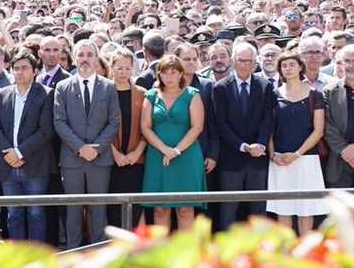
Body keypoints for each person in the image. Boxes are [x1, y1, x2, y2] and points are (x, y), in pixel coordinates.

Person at [52, 41, 120, 249]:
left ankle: (99, 254)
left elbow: (114, 121)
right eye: (80, 54)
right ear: (74, 58)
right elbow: (59, 121)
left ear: (96, 58)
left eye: (89, 54)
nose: (85, 59)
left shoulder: (108, 87)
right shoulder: (63, 87)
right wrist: (80, 147)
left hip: (100, 160)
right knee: (73, 210)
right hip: (72, 159)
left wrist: (96, 148)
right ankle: (73, 253)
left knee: (98, 209)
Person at [0, 49, 54, 242]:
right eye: (16, 68)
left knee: (35, 213)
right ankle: (17, 257)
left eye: (24, 68)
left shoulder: (46, 94)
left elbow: (45, 131)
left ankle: (35, 257)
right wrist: (9, 152)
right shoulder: (1, 94)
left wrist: (19, 152)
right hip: (7, 164)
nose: (19, 72)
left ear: (35, 71)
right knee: (13, 213)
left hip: (34, 163)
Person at [212, 41, 276, 230]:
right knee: (228, 211)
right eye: (241, 60)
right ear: (233, 61)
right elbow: (221, 124)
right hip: (231, 158)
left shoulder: (265, 86)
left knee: (258, 210)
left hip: (258, 159)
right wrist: (243, 146)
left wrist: (260, 145)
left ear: (255, 63)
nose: (244, 65)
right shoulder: (221, 87)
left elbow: (268, 119)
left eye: (249, 61)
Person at [140, 55, 207, 229]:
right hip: (158, 157)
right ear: (159, 75)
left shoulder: (192, 94)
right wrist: (164, 149)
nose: (169, 77)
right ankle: (162, 254)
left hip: (187, 156)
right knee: (160, 209)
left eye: (173, 72)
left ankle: (187, 255)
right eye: (165, 73)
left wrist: (176, 150)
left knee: (185, 209)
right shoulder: (151, 95)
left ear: (181, 74)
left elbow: (197, 127)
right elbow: (145, 127)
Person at [266, 52, 328, 233]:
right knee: (283, 210)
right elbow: (268, 129)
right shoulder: (273, 94)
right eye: (284, 66)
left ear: (300, 67)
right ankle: (286, 255)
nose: (288, 68)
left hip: (306, 159)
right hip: (279, 160)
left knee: (306, 210)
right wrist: (273, 154)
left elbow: (318, 131)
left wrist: (297, 154)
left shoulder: (315, 95)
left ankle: (304, 255)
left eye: (292, 64)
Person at [107, 50, 146, 229]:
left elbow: (147, 127)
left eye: (127, 68)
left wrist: (136, 153)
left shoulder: (142, 93)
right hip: (110, 159)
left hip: (135, 160)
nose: (123, 72)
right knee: (113, 208)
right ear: (112, 68)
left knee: (135, 206)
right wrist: (115, 154)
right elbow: (98, 127)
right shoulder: (104, 92)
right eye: (119, 68)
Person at [322, 43, 354, 188]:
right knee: (342, 210)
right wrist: (344, 150)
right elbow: (326, 124)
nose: (350, 65)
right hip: (340, 161)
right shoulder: (330, 90)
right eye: (347, 61)